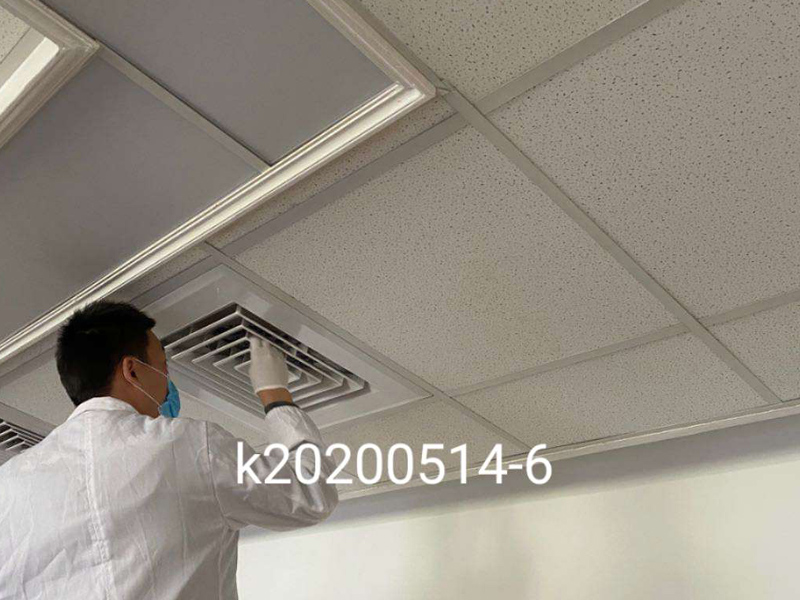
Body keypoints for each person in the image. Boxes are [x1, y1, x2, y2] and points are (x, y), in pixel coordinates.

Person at [0, 300, 339, 599]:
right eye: (163, 366)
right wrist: (274, 393)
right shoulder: (187, 444)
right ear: (132, 370)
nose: (166, 379)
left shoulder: (8, 483)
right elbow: (310, 492)